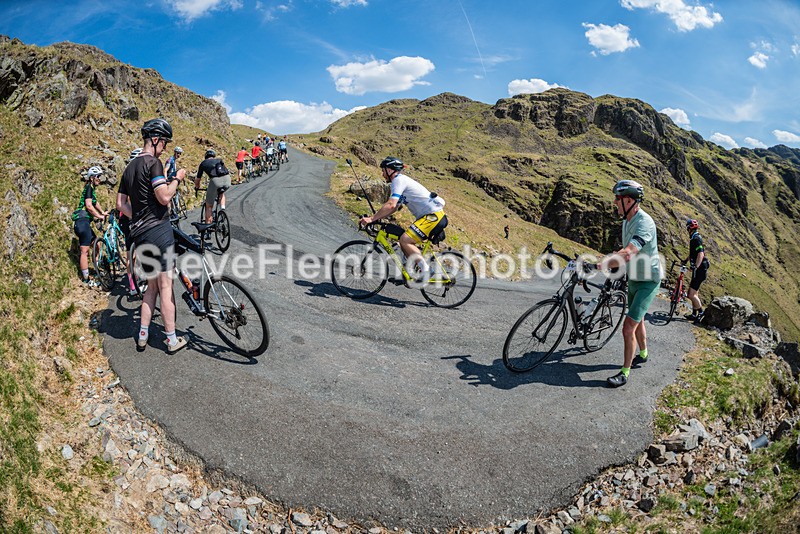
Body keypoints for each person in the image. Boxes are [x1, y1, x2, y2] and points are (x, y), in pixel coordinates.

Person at [117, 118, 188, 354]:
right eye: (165, 142)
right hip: (159, 230)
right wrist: (177, 179)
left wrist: (136, 216)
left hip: (140, 234)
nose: (166, 147)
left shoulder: (129, 168)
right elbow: (165, 197)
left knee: (151, 287)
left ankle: (143, 334)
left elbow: (120, 204)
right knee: (166, 286)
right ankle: (171, 339)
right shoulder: (153, 163)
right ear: (155, 139)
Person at [596, 179, 662, 388]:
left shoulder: (645, 223)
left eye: (618, 198)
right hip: (634, 277)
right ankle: (643, 353)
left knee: (628, 327)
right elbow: (626, 251)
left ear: (629, 200)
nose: (614, 202)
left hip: (647, 281)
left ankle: (625, 372)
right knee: (638, 320)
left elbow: (630, 250)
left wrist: (605, 263)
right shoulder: (626, 220)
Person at [359, 157, 447, 275]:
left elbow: (391, 204)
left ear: (390, 170)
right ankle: (411, 270)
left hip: (433, 216)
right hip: (428, 217)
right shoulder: (399, 182)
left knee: (405, 240)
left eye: (383, 170)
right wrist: (376, 217)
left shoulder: (399, 181)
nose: (382, 174)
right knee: (402, 238)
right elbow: (395, 207)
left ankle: (426, 271)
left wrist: (371, 219)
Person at [72, 166, 108, 287]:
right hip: (82, 221)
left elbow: (94, 202)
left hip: (84, 222)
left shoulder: (90, 189)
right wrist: (98, 216)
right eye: (98, 176)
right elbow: (89, 205)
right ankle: (86, 279)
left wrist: (102, 212)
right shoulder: (88, 187)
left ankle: (96, 270)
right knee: (84, 251)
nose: (100, 179)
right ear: (92, 178)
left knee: (96, 245)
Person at [194, 149, 232, 224]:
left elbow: (198, 179)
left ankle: (208, 225)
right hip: (227, 179)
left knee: (209, 205)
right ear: (213, 156)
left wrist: (197, 187)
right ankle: (222, 210)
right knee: (221, 193)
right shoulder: (219, 160)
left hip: (215, 181)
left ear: (206, 157)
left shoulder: (203, 163)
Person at [685, 218, 710, 322]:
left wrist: (696, 266)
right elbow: (693, 253)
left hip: (700, 270)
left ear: (689, 228)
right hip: (699, 270)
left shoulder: (696, 238)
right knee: (694, 293)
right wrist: (686, 260)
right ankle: (694, 314)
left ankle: (700, 313)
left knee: (691, 294)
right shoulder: (694, 238)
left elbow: (700, 253)